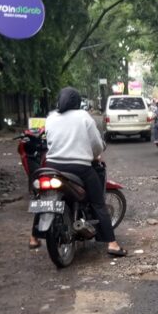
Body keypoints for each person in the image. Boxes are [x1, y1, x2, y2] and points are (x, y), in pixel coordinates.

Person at [29, 87, 127, 257]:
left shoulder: (51, 117)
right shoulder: (83, 117)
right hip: (80, 168)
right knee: (98, 203)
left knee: (44, 198)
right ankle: (112, 244)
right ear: (77, 102)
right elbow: (96, 145)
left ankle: (33, 238)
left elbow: (49, 140)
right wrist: (96, 155)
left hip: (52, 166)